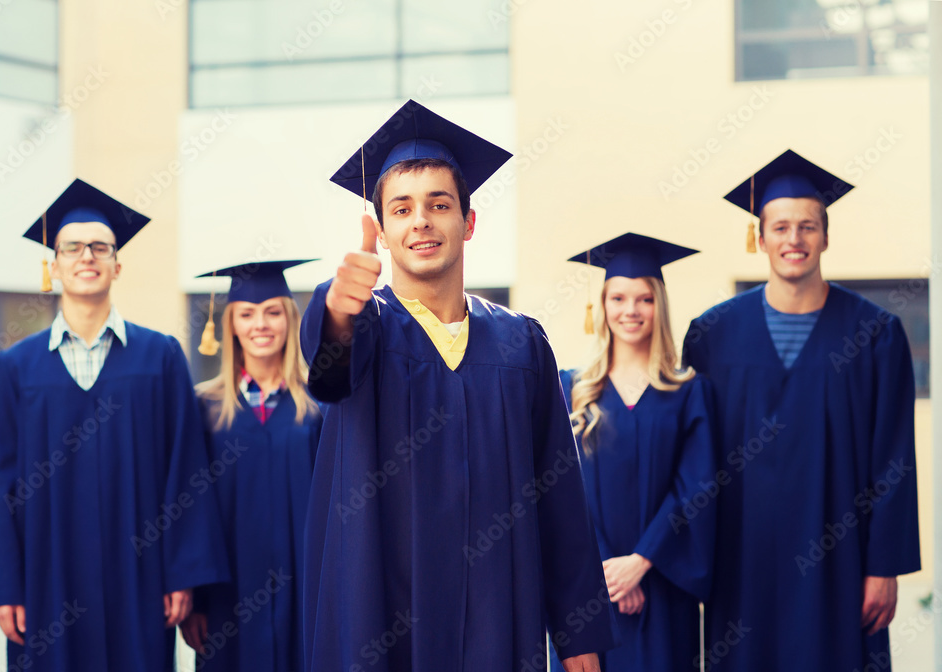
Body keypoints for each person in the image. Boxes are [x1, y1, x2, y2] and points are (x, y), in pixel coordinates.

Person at [300, 100, 615, 672]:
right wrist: (336, 310)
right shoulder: (368, 328)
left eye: (438, 204)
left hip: (496, 627)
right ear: (385, 234)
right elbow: (329, 367)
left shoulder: (521, 345)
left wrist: (580, 642)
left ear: (468, 223)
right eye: (401, 209)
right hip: (381, 624)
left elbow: (559, 503)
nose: (420, 220)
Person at [682, 150, 920, 671]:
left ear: (826, 237)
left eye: (807, 227)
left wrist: (884, 568)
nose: (794, 239)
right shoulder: (711, 336)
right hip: (741, 559)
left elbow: (894, 458)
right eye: (781, 227)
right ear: (760, 237)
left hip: (841, 559)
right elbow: (690, 463)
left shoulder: (875, 336)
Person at [0, 179, 230, 672]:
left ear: (118, 263)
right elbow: (0, 484)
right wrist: (6, 586)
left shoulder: (160, 356)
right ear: (53, 265)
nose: (86, 257)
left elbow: (185, 469)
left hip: (140, 575)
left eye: (100, 246)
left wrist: (183, 575)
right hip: (45, 579)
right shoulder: (15, 367)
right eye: (72, 247)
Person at [549, 233, 715, 672]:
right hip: (589, 588)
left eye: (644, 299)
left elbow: (695, 487)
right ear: (601, 305)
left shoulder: (687, 391)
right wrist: (608, 569)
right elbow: (560, 492)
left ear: (659, 305)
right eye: (618, 297)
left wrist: (641, 562)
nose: (631, 310)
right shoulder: (572, 390)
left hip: (663, 583)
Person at [180, 260, 322, 671]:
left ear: (290, 320)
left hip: (304, 588)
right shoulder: (203, 408)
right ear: (231, 325)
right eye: (247, 314)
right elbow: (191, 513)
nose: (260, 324)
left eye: (273, 312)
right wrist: (196, 599)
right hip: (229, 595)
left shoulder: (320, 405)